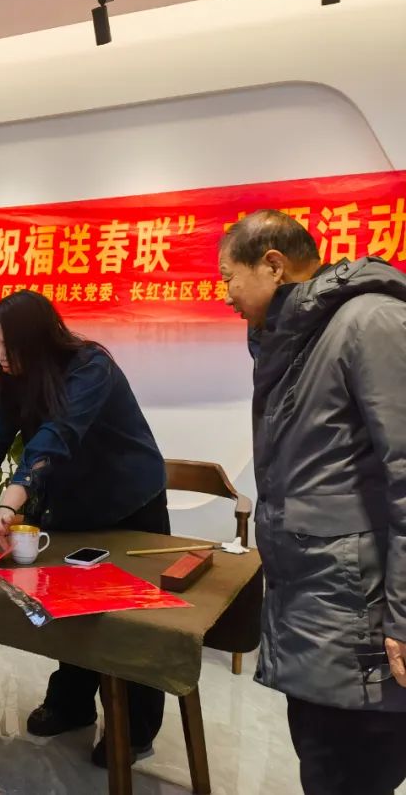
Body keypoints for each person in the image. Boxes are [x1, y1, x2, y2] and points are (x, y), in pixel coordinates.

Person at [218, 210, 406, 795]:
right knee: (322, 764)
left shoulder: (370, 322)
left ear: (273, 265)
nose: (225, 294)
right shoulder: (294, 336)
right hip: (318, 607)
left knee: (352, 773)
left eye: (229, 277)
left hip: (362, 618)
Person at [0, 290, 168, 767]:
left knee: (130, 618)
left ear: (38, 339)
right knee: (67, 604)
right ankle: (72, 703)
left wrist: (9, 502)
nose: (1, 356)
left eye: (8, 345)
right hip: (69, 506)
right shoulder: (14, 377)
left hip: (128, 505)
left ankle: (134, 728)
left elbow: (57, 434)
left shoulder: (91, 367)